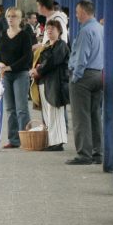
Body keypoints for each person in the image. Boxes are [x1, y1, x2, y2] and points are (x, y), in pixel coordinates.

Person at [66, 0, 104, 165]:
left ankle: (84, 155)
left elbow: (81, 56)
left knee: (81, 117)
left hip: (84, 77)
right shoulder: (100, 28)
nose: (75, 15)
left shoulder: (85, 31)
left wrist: (75, 77)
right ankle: (98, 152)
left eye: (77, 12)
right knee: (95, 115)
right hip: (99, 74)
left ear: (83, 12)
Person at [0, 7, 36, 149]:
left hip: (20, 74)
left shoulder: (24, 36)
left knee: (21, 108)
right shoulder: (1, 34)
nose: (10, 19)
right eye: (8, 16)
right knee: (10, 109)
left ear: (19, 19)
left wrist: (10, 67)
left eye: (13, 16)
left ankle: (26, 138)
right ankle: (14, 140)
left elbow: (27, 57)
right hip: (6, 76)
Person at [30, 20, 70, 151]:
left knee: (55, 112)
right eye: (48, 28)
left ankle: (58, 142)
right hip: (44, 82)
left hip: (56, 83)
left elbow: (52, 61)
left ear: (59, 31)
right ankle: (52, 141)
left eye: (53, 28)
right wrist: (36, 69)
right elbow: (41, 61)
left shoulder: (61, 45)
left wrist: (38, 70)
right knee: (47, 113)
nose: (49, 30)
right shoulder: (46, 46)